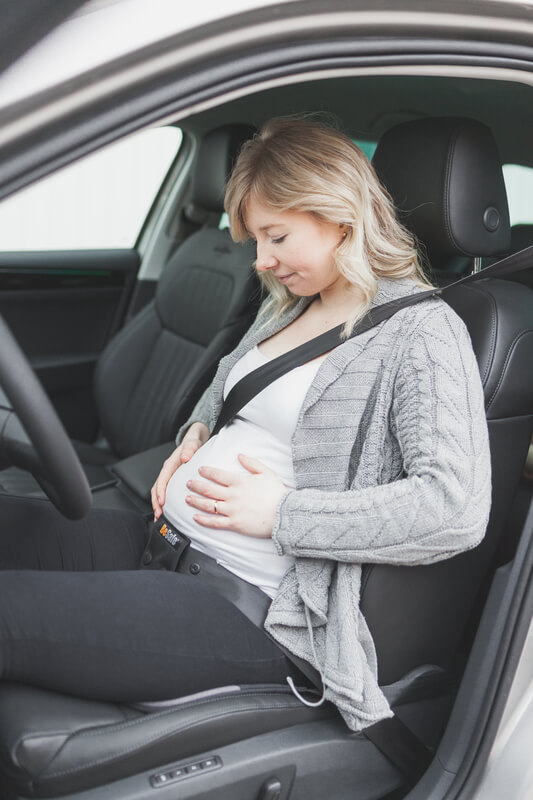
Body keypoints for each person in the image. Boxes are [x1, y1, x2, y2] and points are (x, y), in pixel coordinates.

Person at [0, 117, 491, 731]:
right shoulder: (292, 302)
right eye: (255, 241)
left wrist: (282, 514)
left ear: (339, 215)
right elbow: (227, 386)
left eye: (277, 237)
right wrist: (195, 438)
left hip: (248, 606)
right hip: (162, 544)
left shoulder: (421, 332)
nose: (262, 261)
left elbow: (455, 508)